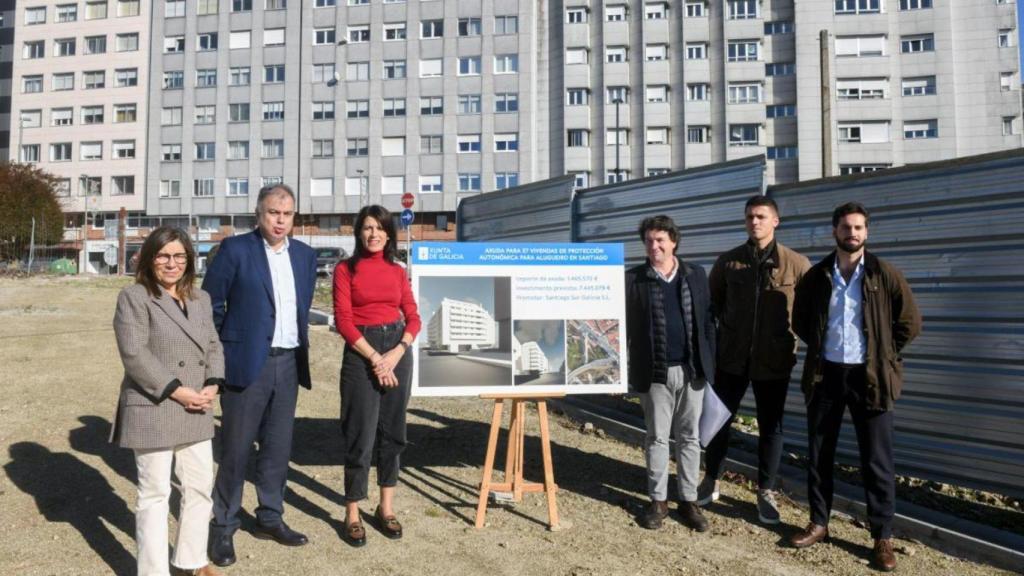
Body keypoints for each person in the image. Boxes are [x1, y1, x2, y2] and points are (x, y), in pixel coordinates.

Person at [789, 202, 921, 572]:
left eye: (859, 227)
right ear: (834, 231)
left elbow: (910, 321)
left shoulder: (884, 274)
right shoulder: (817, 277)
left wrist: (883, 353)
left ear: (867, 232)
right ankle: (819, 523)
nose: (853, 233)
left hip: (871, 378)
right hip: (826, 374)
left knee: (877, 461)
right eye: (846, 227)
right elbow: (801, 321)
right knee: (819, 453)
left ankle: (882, 537)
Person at [202, 184, 317, 567]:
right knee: (236, 449)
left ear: (294, 216)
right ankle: (223, 525)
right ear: (258, 214)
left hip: (288, 363)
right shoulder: (236, 250)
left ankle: (270, 516)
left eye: (286, 214)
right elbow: (210, 304)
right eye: (272, 213)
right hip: (245, 364)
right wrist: (222, 354)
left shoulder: (304, 256)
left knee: (277, 448)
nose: (280, 220)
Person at [111, 226, 224, 576]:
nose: (171, 263)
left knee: (199, 487)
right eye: (163, 256)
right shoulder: (134, 297)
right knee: (155, 494)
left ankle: (193, 559)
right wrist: (178, 390)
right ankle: (153, 570)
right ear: (149, 258)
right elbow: (134, 354)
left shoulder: (200, 298)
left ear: (189, 259)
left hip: (197, 405)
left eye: (179, 256)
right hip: (156, 404)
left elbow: (213, 345)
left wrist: (213, 383)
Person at [699, 196, 810, 524]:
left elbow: (809, 311)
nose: (754, 222)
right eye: (749, 217)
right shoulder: (729, 263)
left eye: (761, 216)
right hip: (731, 359)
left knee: (771, 428)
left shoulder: (797, 264)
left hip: (774, 362)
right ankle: (712, 478)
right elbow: (713, 306)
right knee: (718, 421)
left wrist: (790, 342)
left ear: (775, 221)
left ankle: (765, 491)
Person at [333, 205, 421, 547]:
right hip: (361, 351)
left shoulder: (398, 271)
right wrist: (375, 359)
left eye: (380, 228)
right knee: (360, 434)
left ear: (388, 233)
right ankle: (353, 512)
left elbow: (413, 317)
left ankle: (385, 508)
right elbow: (343, 320)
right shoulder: (345, 269)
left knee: (393, 432)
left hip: (397, 348)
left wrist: (397, 353)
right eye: (367, 228)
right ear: (359, 233)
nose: (373, 234)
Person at [625, 215, 717, 531]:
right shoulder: (633, 279)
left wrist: (709, 362)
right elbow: (624, 327)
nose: (654, 246)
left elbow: (707, 323)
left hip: (692, 371)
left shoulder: (695, 275)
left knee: (690, 437)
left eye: (660, 240)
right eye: (649, 241)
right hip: (654, 374)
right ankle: (658, 501)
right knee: (656, 437)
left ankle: (689, 501)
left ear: (673, 241)